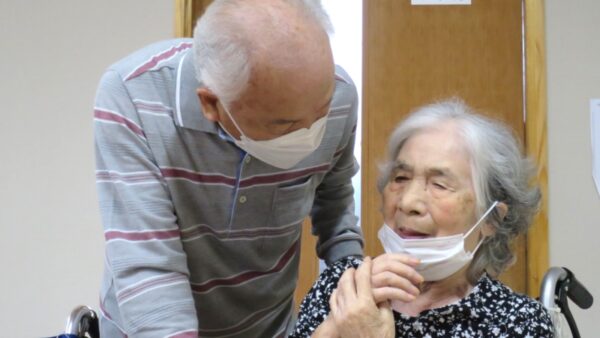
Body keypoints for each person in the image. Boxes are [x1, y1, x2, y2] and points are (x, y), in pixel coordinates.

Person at [93, 0, 363, 336]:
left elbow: (335, 202)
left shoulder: (340, 95)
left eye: (321, 112)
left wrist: (354, 284)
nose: (312, 132)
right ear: (211, 103)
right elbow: (150, 268)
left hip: (269, 327)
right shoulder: (132, 96)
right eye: (286, 124)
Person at [291, 99, 554, 337]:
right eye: (400, 178)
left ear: (492, 218)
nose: (407, 202)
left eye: (440, 185)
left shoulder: (519, 322)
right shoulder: (341, 287)